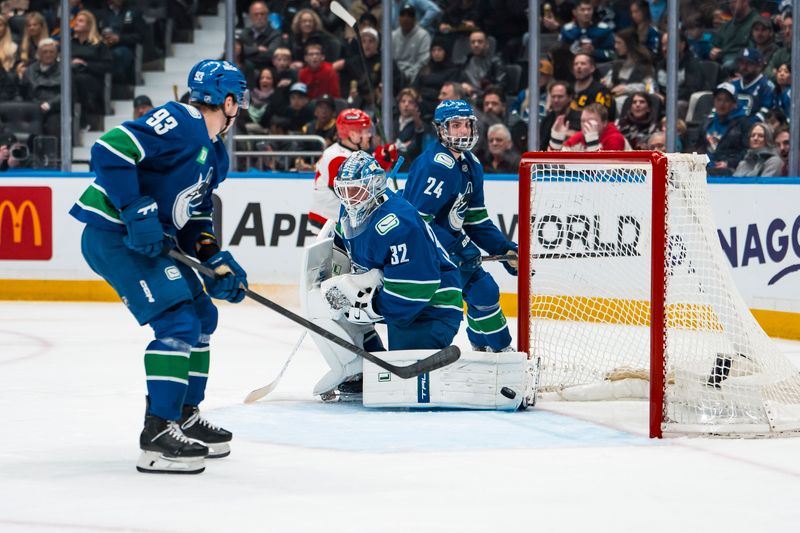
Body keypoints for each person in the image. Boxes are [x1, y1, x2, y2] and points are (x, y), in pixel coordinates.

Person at [68, 59, 251, 475]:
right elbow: (110, 149)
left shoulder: (215, 156)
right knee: (177, 323)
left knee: (204, 316)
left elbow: (197, 216)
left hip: (152, 241)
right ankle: (157, 434)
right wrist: (135, 209)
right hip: (114, 235)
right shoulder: (180, 119)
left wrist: (213, 258)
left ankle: (185, 415)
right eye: (238, 99)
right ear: (228, 101)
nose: (238, 106)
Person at [320, 150, 463, 357]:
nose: (350, 198)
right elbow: (345, 242)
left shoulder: (399, 224)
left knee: (404, 368)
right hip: (396, 298)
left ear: (374, 186)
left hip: (432, 306)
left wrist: (373, 308)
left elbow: (418, 287)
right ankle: (361, 369)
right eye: (344, 190)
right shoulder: (350, 210)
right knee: (341, 318)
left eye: (356, 190)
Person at [403, 99, 518, 352]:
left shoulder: (471, 165)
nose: (463, 131)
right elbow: (418, 224)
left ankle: (485, 347)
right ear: (441, 129)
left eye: (466, 124)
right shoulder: (434, 166)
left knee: (485, 292)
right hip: (424, 257)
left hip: (450, 250)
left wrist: (503, 248)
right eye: (455, 125)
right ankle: (497, 349)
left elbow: (476, 219)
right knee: (438, 316)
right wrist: (456, 247)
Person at [308, 108, 374, 232]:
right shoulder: (337, 158)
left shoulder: (353, 154)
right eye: (365, 131)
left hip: (339, 221)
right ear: (353, 134)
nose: (369, 135)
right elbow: (352, 195)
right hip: (327, 222)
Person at [700, 82, 749, 175]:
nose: (721, 104)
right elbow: (698, 146)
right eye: (718, 99)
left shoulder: (743, 123)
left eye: (726, 100)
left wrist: (729, 163)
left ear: (734, 103)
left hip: (729, 170)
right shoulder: (707, 122)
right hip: (705, 168)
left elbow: (746, 151)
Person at [553, 102, 627, 151]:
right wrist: (556, 142)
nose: (586, 125)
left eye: (591, 121)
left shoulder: (615, 138)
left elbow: (608, 173)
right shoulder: (579, 137)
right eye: (583, 121)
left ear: (604, 123)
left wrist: (592, 142)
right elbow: (555, 168)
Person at [730, 48, 774, 124]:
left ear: (758, 66)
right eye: (742, 63)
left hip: (753, 129)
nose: (744, 67)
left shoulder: (766, 86)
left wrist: (747, 125)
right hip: (731, 127)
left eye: (749, 63)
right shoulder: (733, 85)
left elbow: (766, 111)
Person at [391, 4, 431, 85]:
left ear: (414, 19)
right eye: (403, 15)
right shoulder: (392, 35)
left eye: (409, 16)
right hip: (395, 75)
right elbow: (389, 59)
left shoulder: (423, 35)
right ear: (399, 18)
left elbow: (423, 61)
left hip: (415, 75)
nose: (406, 19)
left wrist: (409, 76)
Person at [539, 80, 581, 151]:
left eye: (560, 97)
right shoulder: (546, 121)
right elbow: (542, 148)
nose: (556, 100)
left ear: (569, 97)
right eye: (553, 96)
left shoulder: (580, 119)